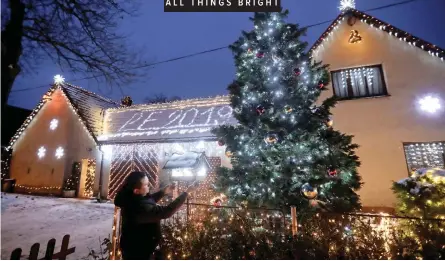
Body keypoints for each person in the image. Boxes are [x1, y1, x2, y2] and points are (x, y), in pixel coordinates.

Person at [114, 171, 198, 260]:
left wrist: (163, 191)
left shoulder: (130, 198)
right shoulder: (140, 209)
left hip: (134, 248)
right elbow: (167, 211)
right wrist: (186, 193)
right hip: (140, 253)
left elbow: (147, 200)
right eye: (146, 185)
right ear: (136, 191)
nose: (149, 186)